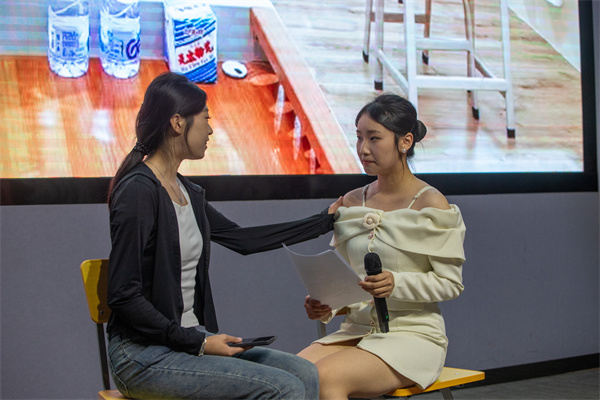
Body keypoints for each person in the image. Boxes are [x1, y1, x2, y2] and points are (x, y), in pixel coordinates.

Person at [106, 71, 343, 400]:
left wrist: (324, 221)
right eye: (205, 119)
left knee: (304, 372)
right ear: (177, 122)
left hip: (184, 342)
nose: (210, 129)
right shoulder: (138, 191)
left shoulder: (187, 191)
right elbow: (122, 295)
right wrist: (199, 342)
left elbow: (244, 240)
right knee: (284, 387)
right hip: (142, 355)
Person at [297, 93, 466, 399]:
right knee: (290, 375)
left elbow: (450, 283)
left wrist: (395, 283)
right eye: (359, 137)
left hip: (413, 336)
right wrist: (328, 304)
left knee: (327, 379)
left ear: (405, 142)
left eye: (374, 138)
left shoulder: (431, 203)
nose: (363, 148)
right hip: (356, 331)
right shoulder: (351, 201)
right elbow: (348, 283)